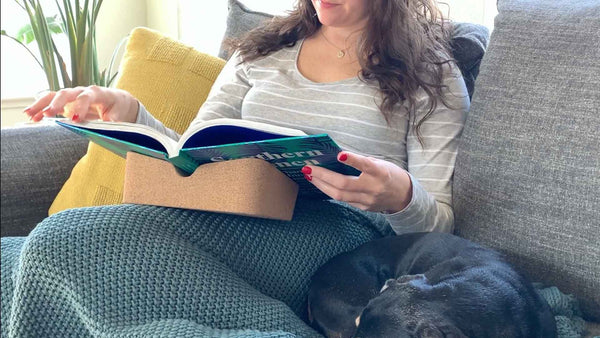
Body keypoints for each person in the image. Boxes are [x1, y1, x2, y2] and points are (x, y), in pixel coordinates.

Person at [23, 0, 469, 235]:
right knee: (62, 236)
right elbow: (192, 153)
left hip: (338, 237)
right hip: (226, 212)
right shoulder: (263, 51)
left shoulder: (431, 74)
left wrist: (401, 196)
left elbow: (442, 224)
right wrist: (128, 112)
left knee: (70, 243)